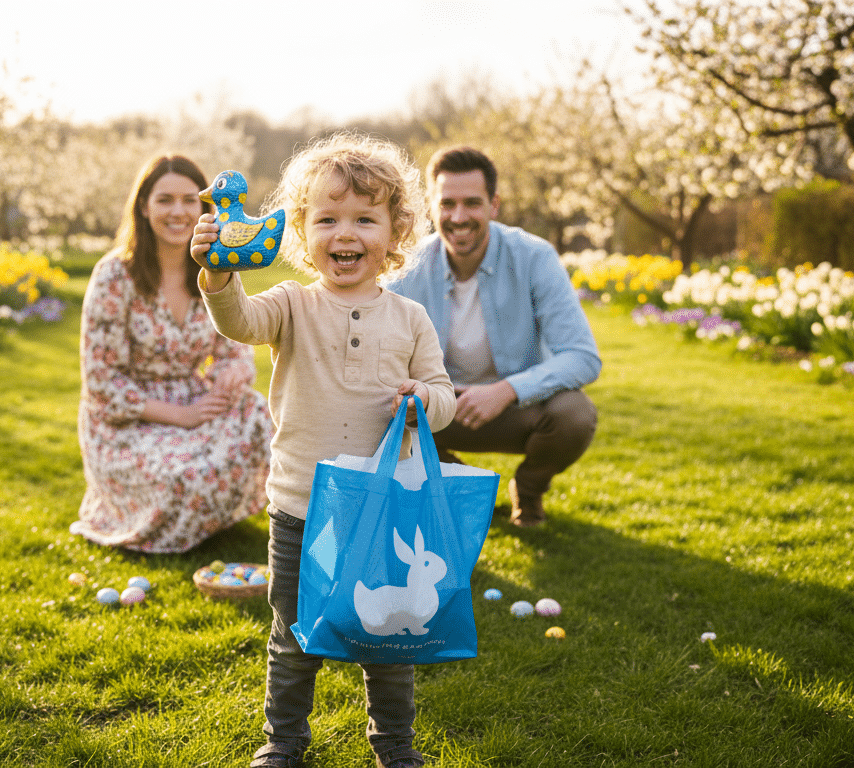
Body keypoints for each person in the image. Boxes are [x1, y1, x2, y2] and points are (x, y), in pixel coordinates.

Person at [190, 133, 454, 768]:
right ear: (302, 234)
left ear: (395, 234)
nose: (347, 233)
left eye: (366, 219)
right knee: (293, 637)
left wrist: (421, 398)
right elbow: (239, 322)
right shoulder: (291, 305)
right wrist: (218, 272)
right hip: (301, 507)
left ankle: (395, 744)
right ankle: (283, 742)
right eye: (328, 218)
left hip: (384, 506)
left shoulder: (410, 318)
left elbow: (444, 399)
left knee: (388, 636)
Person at [384, 146, 601, 528]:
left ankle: (529, 489)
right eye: (447, 204)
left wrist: (506, 390)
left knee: (575, 415)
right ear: (432, 207)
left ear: (494, 205)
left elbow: (582, 356)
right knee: (373, 408)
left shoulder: (535, 257)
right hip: (437, 409)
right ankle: (455, 488)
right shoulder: (408, 267)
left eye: (472, 203)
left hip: (513, 409)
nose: (458, 217)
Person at [71, 154, 272, 553]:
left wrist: (232, 371)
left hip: (193, 398)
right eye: (165, 200)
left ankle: (224, 517)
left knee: (260, 417)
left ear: (205, 207)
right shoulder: (114, 276)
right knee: (179, 476)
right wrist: (181, 416)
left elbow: (237, 345)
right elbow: (101, 383)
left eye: (188, 200)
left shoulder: (215, 267)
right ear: (144, 207)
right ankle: (179, 517)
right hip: (128, 421)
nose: (178, 211)